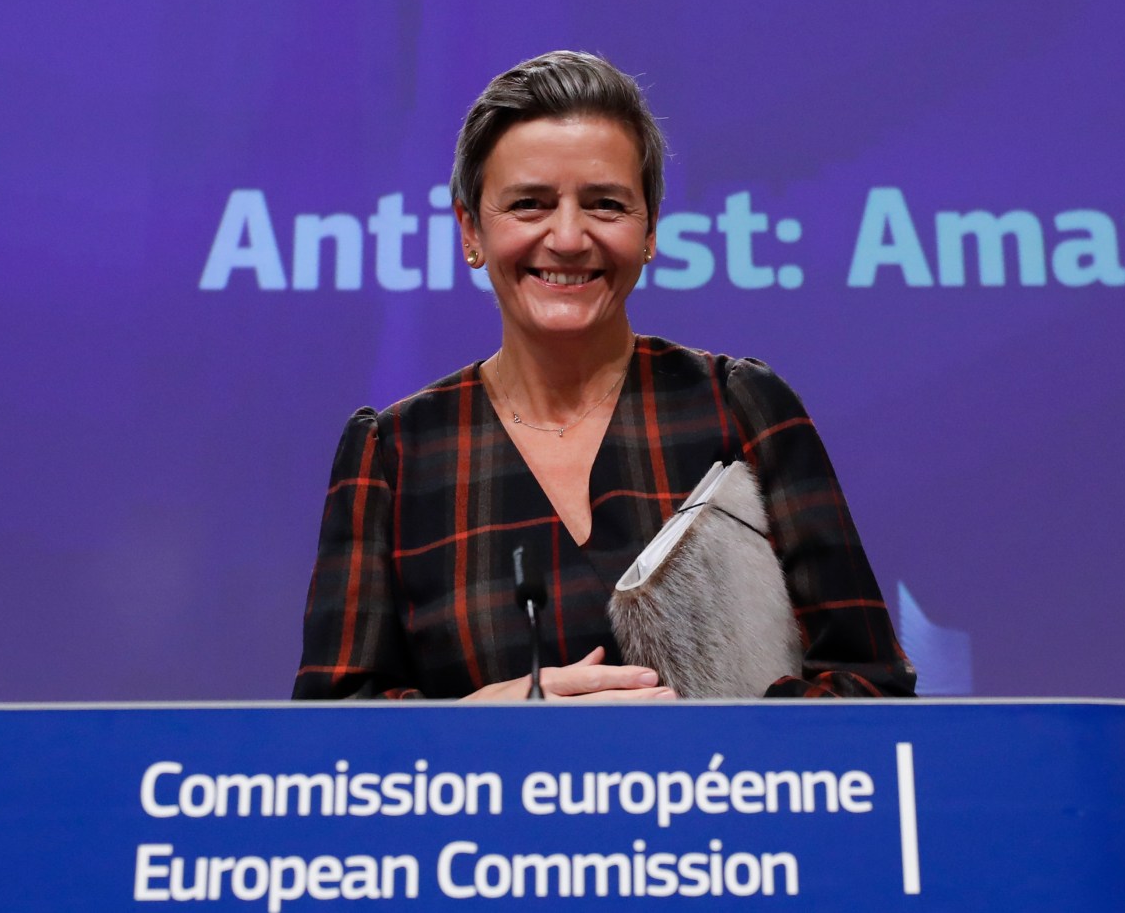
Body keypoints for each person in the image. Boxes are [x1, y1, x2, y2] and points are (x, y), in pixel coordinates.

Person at [293, 51, 914, 702]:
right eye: (530, 204)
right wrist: (480, 725)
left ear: (650, 229)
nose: (567, 237)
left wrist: (705, 745)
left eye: (605, 204)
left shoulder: (742, 408)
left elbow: (874, 690)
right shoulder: (396, 454)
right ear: (471, 229)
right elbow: (330, 739)